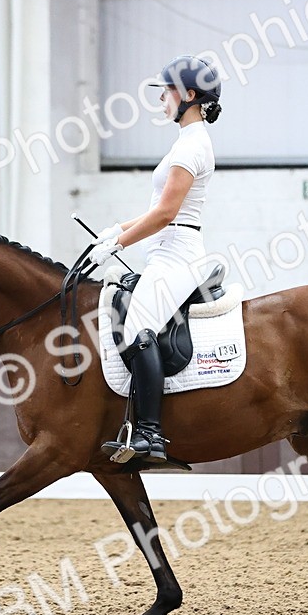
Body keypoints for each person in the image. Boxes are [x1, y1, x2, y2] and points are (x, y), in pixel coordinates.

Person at [86, 55, 222, 464]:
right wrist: (116, 229)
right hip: (166, 250)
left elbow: (166, 214)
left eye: (166, 91)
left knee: (137, 327)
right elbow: (157, 211)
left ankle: (150, 435)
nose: (161, 99)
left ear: (189, 95)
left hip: (176, 255)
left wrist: (120, 244)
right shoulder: (184, 142)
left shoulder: (192, 146)